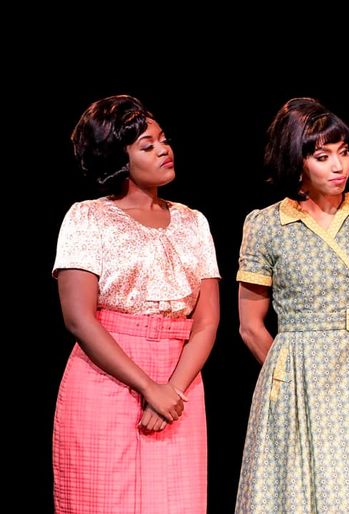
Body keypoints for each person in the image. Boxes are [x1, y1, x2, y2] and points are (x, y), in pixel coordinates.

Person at [234, 98, 349, 512]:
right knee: (295, 485)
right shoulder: (266, 225)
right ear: (297, 163)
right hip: (295, 372)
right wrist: (288, 373)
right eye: (323, 157)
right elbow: (250, 325)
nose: (338, 166)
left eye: (344, 152)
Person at [53, 95, 219, 513]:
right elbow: (79, 318)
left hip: (180, 382)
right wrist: (148, 388)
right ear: (117, 158)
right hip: (107, 376)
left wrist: (172, 390)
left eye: (164, 140)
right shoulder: (87, 218)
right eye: (147, 145)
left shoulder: (193, 222)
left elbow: (206, 321)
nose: (164, 150)